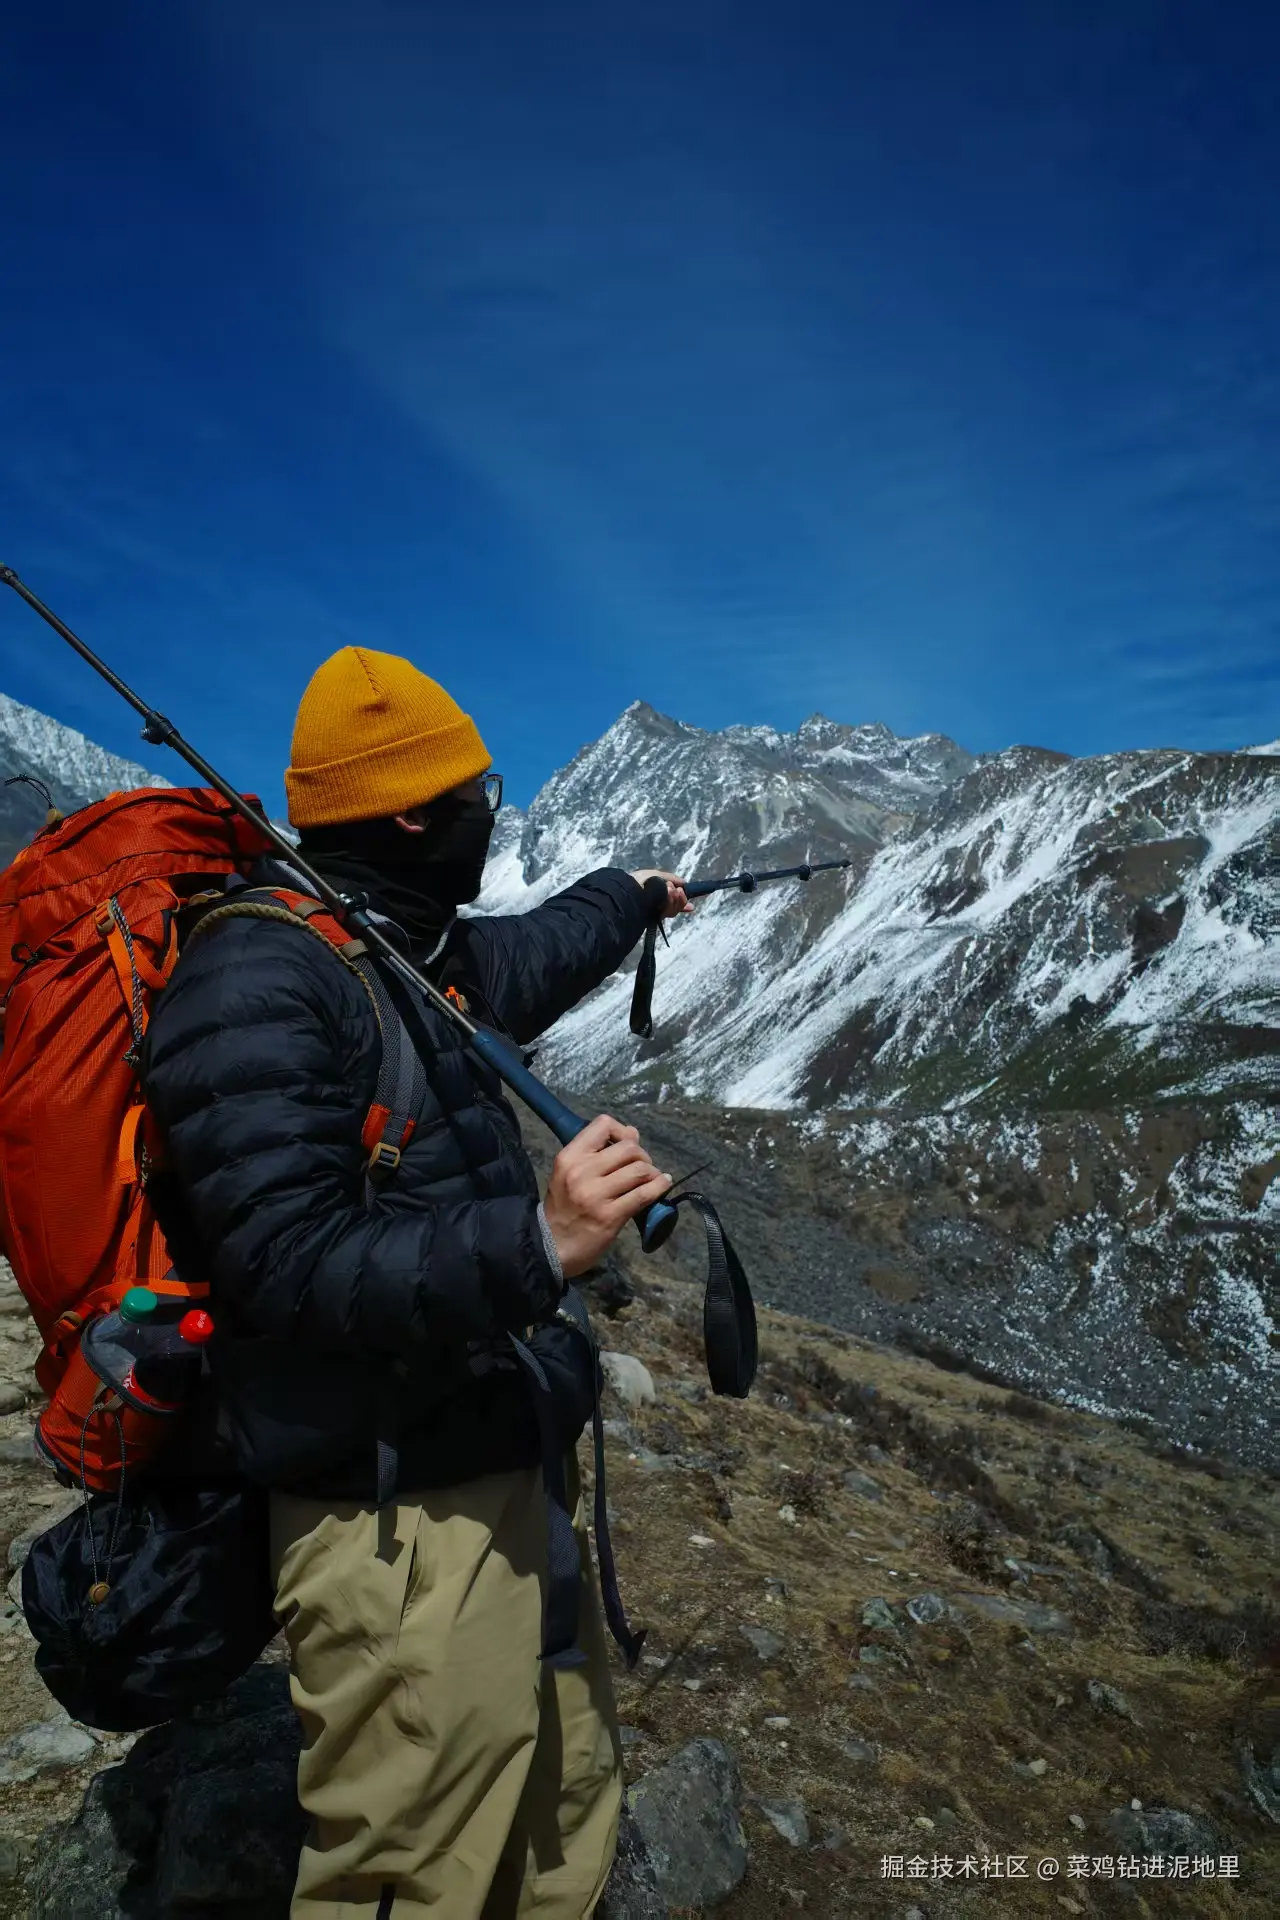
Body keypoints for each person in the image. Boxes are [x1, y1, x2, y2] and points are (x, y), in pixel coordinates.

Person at [141, 645, 691, 1918]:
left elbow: (541, 949)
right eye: (476, 791)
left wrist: (633, 895)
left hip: (492, 1449)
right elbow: (279, 1263)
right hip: (388, 1521)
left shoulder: (398, 946)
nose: (489, 812)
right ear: (409, 812)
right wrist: (537, 1246)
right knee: (412, 1867)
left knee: (557, 1810)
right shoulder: (257, 979)